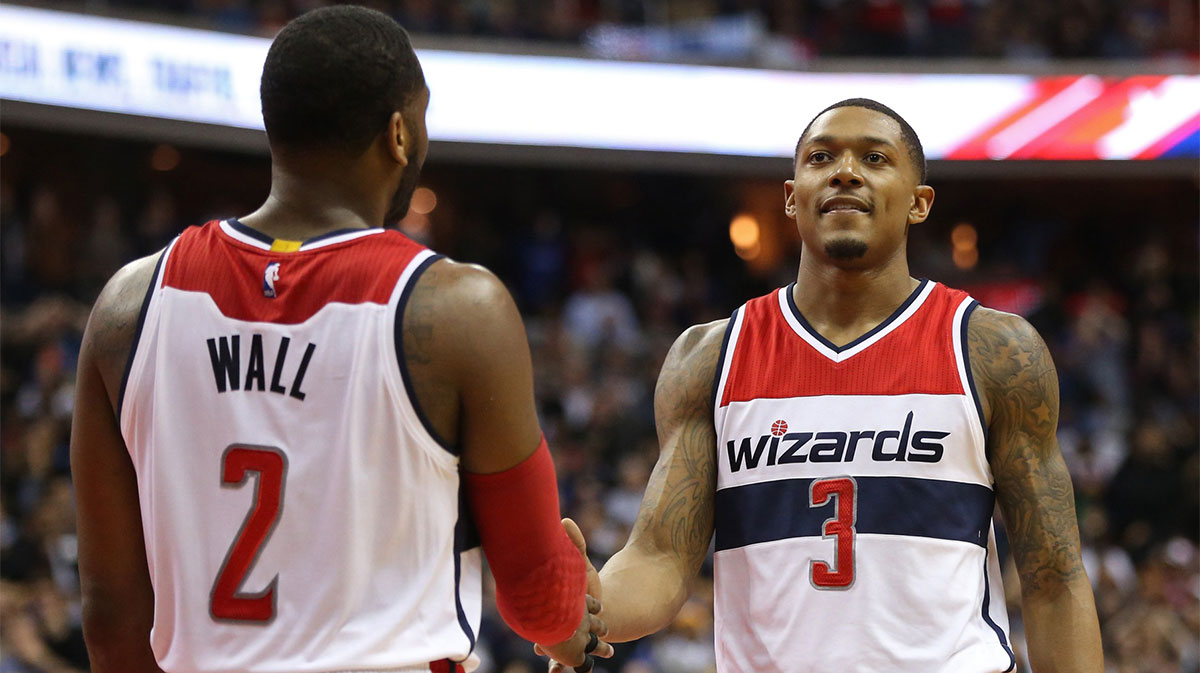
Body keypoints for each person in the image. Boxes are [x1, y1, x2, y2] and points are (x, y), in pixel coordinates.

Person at [68, 7, 610, 673]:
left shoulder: (129, 304)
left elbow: (113, 617)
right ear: (399, 134)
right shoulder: (458, 309)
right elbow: (537, 599)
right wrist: (571, 610)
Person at [543, 99, 1103, 671]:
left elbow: (1053, 576)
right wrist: (592, 606)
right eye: (822, 157)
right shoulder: (709, 357)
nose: (845, 170)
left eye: (875, 158)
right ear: (791, 196)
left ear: (919, 203)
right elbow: (661, 554)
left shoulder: (991, 349)